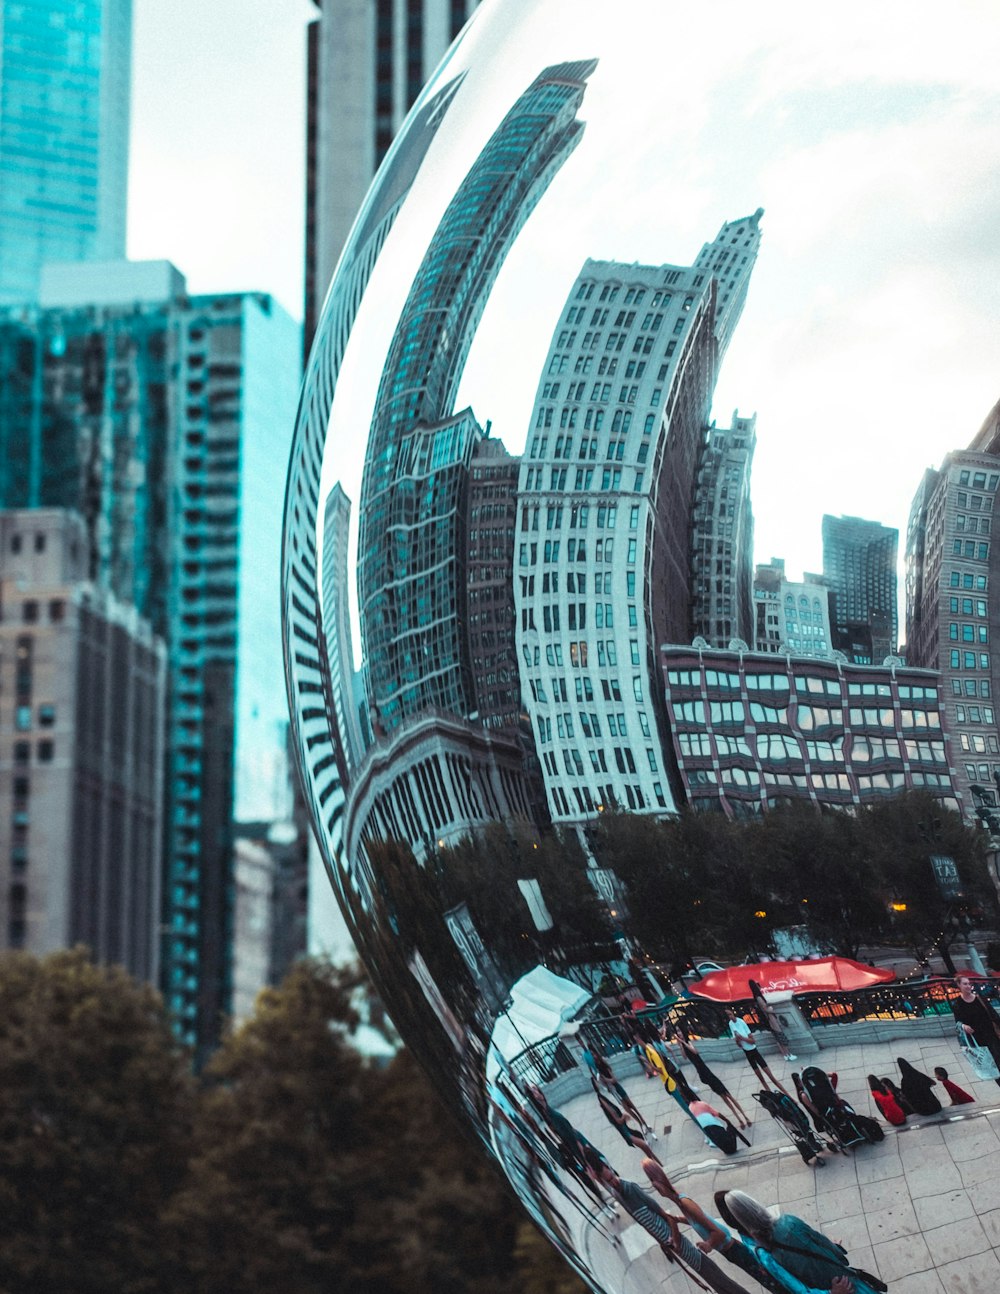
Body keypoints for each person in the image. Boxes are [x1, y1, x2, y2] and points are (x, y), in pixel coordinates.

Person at [596, 1163, 750, 1294]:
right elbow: (651, 1222)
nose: (613, 1182)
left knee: (721, 1282)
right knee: (717, 1284)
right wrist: (665, 1244)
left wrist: (678, 1241)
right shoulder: (619, 1195)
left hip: (689, 1249)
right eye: (609, 1181)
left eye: (612, 1178)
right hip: (678, 1249)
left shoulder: (633, 1189)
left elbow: (668, 1217)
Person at [638, 1161, 787, 1293]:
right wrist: (677, 1219)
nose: (653, 1186)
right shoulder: (679, 1202)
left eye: (653, 1180)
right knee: (767, 1279)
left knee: (769, 1280)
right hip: (731, 1252)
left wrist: (708, 1244)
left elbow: (720, 1233)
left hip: (736, 1251)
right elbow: (695, 1220)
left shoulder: (684, 1203)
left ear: (660, 1179)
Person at [724, 1190, 883, 1294]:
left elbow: (795, 1287)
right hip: (847, 1283)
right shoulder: (789, 1222)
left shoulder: (764, 1254)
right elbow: (829, 1248)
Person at [673, 1027, 752, 1128]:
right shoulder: (683, 1045)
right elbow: (684, 1057)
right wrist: (680, 1045)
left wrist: (683, 1043)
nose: (679, 1033)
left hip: (707, 1073)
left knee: (728, 1095)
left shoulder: (689, 1042)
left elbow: (695, 1051)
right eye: (677, 1032)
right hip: (703, 1074)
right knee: (724, 1098)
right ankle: (739, 1119)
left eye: (679, 1031)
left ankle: (745, 1117)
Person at [585, 1045, 656, 1134]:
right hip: (614, 1092)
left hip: (617, 1088)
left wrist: (605, 1079)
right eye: (591, 1056)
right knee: (628, 1110)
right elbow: (598, 1082)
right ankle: (641, 1125)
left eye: (593, 1054)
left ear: (596, 1053)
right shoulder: (596, 1070)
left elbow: (614, 1079)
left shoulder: (603, 1064)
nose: (593, 1057)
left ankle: (645, 1124)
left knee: (633, 1107)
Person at [591, 1081, 663, 1165]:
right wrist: (624, 1116)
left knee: (647, 1149)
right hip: (627, 1134)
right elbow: (618, 1121)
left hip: (627, 1132)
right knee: (645, 1148)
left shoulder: (602, 1098)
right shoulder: (603, 1101)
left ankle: (660, 1165)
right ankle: (656, 1167)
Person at [726, 1006, 791, 1097]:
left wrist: (742, 1038)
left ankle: (788, 1095)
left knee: (771, 1077)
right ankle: (772, 1098)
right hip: (747, 1053)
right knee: (762, 1079)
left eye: (730, 1014)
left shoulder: (741, 1022)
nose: (730, 1017)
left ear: (733, 1013)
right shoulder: (731, 1024)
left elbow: (753, 1041)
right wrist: (737, 1040)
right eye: (728, 1016)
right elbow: (739, 1045)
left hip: (754, 1051)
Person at [951, 974, 1000, 1087]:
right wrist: (964, 1026)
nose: (968, 986)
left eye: (969, 983)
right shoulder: (957, 1004)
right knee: (991, 1066)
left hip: (992, 1035)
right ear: (959, 985)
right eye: (965, 984)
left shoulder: (979, 999)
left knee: (998, 1060)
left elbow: (993, 1014)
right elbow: (958, 1022)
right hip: (978, 1040)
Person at [750, 978, 798, 1061]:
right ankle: (788, 1054)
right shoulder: (759, 998)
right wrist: (771, 1009)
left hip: (768, 1020)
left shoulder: (756, 998)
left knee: (777, 1038)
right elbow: (765, 1009)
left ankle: (785, 1055)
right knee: (780, 1036)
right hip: (771, 1019)